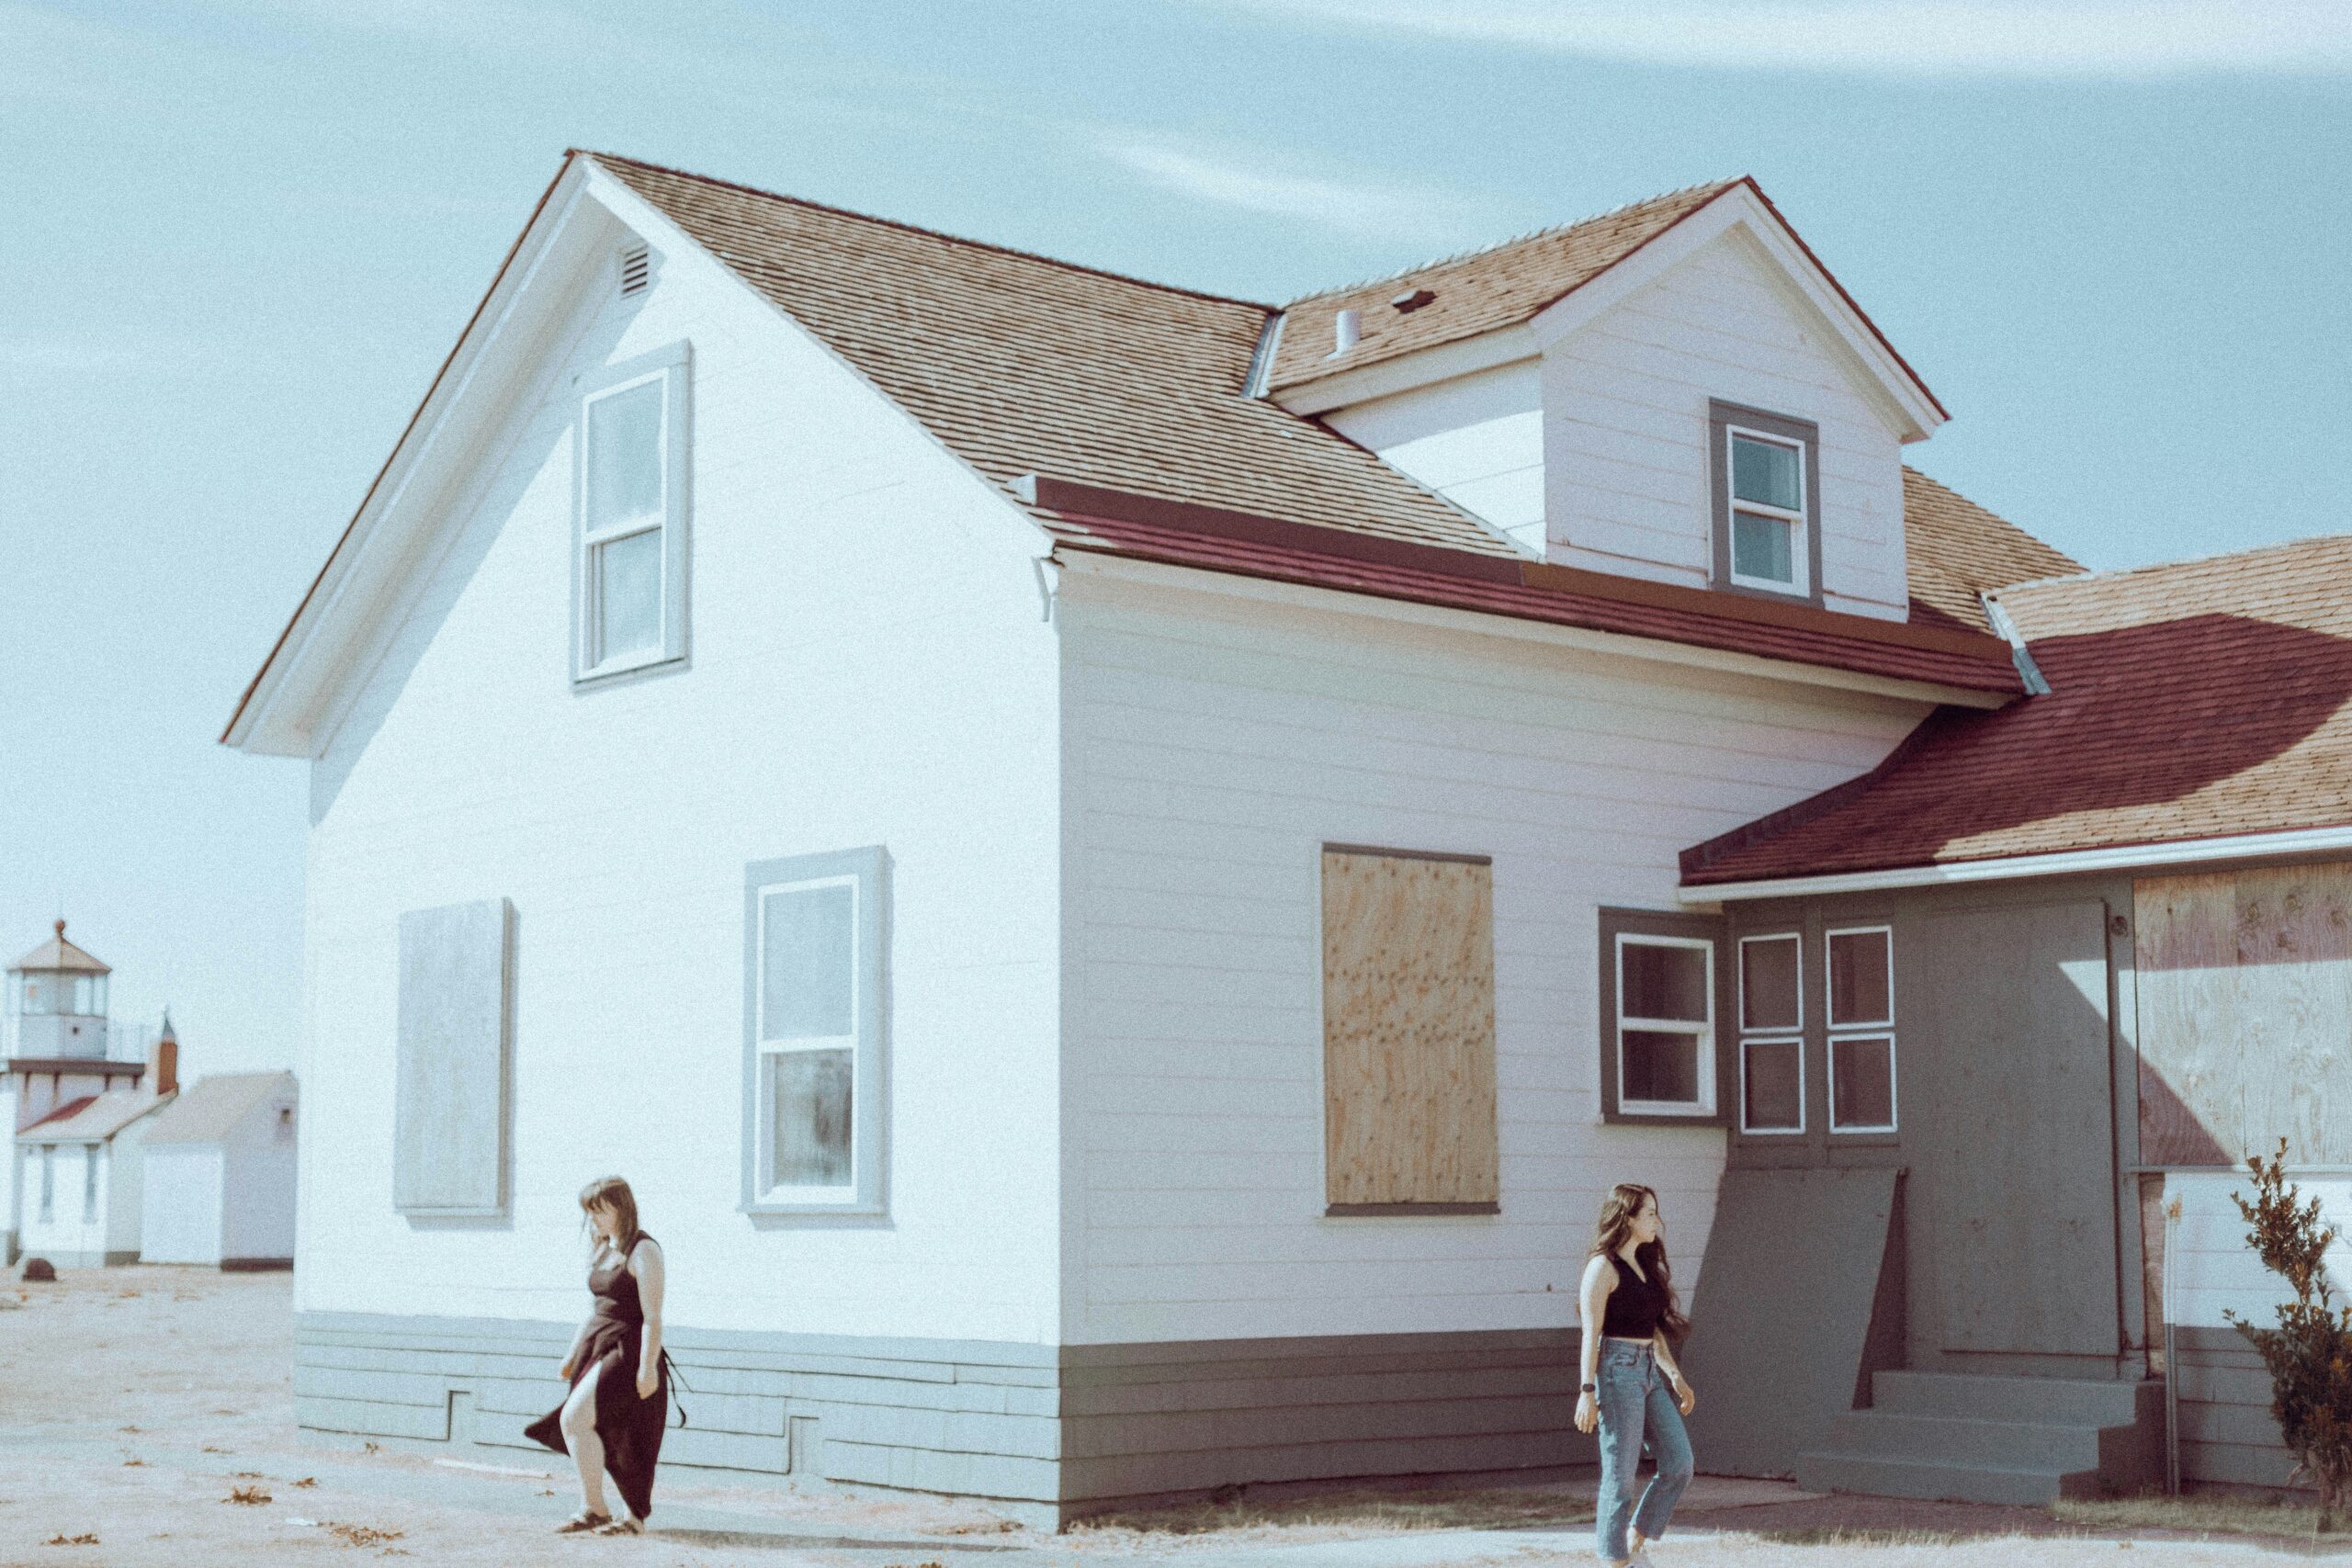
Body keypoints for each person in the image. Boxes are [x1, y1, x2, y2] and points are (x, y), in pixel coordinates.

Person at [526, 1176, 669, 1536]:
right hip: (598, 1343)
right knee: (580, 1423)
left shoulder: (644, 1250)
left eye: (598, 1211)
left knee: (587, 1420)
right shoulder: (604, 1247)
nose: (593, 1219)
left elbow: (652, 1316)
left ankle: (629, 1517)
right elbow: (595, 1308)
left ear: (621, 1207)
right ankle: (595, 1509)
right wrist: (572, 1353)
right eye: (589, 1212)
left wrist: (648, 1367)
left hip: (628, 1349)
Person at [1574, 1183, 1697, 1567]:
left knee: (1679, 1464)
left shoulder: (1644, 1266)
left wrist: (1673, 1375)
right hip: (1615, 1374)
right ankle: (1614, 1560)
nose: (1657, 1222)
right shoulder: (1602, 1268)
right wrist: (1587, 1391)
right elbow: (1591, 1334)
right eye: (1649, 1214)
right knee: (1620, 1478)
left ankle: (1635, 1540)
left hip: (1647, 1371)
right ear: (1626, 1218)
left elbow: (1652, 1329)